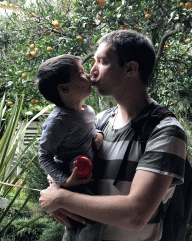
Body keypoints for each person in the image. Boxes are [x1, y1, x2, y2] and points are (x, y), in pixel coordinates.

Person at [39, 30, 187, 241]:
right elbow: (61, 166)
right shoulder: (98, 121)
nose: (92, 70)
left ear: (130, 68)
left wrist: (62, 198)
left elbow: (136, 214)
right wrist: (56, 191)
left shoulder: (164, 130)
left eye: (102, 62)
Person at [36, 54, 104, 241]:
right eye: (81, 73)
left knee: (78, 223)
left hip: (87, 176)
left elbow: (90, 128)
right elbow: (44, 155)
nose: (89, 75)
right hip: (72, 177)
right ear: (64, 88)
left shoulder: (88, 111)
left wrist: (99, 133)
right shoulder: (57, 122)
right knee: (89, 220)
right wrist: (64, 181)